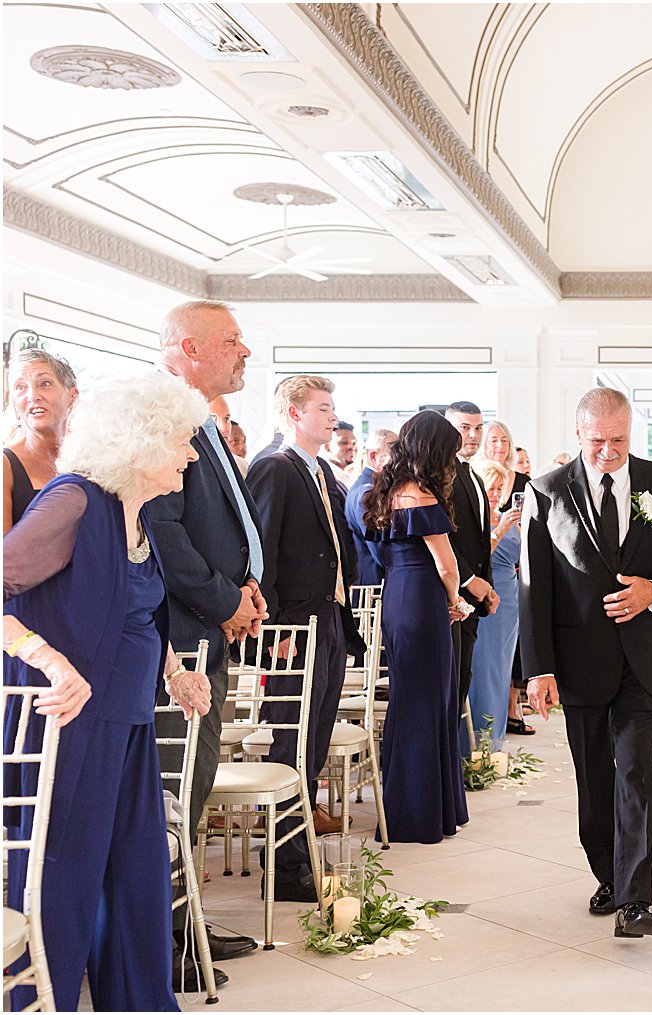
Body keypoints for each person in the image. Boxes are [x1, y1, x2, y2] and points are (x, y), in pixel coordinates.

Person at [4, 371, 212, 1011]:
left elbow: (135, 608)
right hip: (65, 726)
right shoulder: (73, 501)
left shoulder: (135, 508)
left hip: (125, 722)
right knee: (62, 878)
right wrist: (48, 659)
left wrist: (174, 671)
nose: (192, 454)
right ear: (141, 440)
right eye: (182, 440)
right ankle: (41, 1001)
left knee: (133, 873)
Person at [521, 387, 652, 939]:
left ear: (632, 432)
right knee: (594, 776)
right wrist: (538, 668)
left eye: (619, 440)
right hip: (578, 660)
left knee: (635, 771)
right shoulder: (546, 491)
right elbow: (535, 587)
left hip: (644, 655)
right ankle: (608, 872)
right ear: (579, 434)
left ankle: (635, 898)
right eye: (598, 441)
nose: (609, 451)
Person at [148, 299, 266, 973]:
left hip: (212, 627)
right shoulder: (165, 414)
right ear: (190, 347)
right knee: (177, 794)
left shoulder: (201, 416)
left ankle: (187, 924)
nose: (244, 349)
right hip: (183, 639)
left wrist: (248, 588)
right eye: (232, 340)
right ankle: (166, 945)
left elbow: (224, 522)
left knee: (194, 789)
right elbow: (165, 535)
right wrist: (226, 601)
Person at [247, 375, 360, 893]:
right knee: (290, 741)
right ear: (293, 414)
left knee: (312, 741)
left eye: (333, 407)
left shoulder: (322, 472)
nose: (332, 416)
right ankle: (284, 866)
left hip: (329, 616)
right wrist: (273, 628)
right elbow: (262, 552)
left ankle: (301, 851)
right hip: (294, 624)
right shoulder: (274, 468)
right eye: (322, 408)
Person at [364, 410, 471, 843]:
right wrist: (456, 601)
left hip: (398, 596)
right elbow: (447, 565)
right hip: (424, 600)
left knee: (412, 702)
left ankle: (418, 809)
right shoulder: (421, 496)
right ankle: (419, 815)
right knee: (429, 704)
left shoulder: (387, 490)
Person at [443, 402, 499, 716]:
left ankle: (455, 763)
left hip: (474, 597)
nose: (473, 435)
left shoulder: (475, 477)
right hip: (453, 595)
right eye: (465, 427)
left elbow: (480, 540)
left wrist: (487, 587)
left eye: (478, 428)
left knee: (463, 680)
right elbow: (446, 538)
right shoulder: (442, 475)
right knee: (450, 686)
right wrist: (468, 581)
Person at [468, 458, 528, 749]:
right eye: (490, 487)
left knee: (503, 670)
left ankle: (495, 744)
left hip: (511, 601)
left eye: (499, 488)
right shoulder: (475, 520)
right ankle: (477, 742)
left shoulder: (510, 518)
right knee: (483, 668)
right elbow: (477, 556)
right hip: (486, 598)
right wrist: (500, 530)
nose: (495, 494)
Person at [4, 348, 78, 532]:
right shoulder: (5, 466)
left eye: (44, 383)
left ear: (72, 396)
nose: (32, 396)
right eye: (20, 387)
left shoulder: (95, 457)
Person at [343, 428, 397, 588]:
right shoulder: (367, 493)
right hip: (373, 588)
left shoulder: (368, 489)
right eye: (395, 454)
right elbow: (381, 550)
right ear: (373, 457)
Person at [322, 421, 358, 486]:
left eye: (354, 443)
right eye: (344, 442)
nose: (352, 447)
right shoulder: (322, 476)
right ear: (327, 447)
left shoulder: (356, 476)